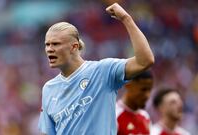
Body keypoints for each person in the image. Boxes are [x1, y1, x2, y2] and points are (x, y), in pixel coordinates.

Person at [38, 2, 154, 135]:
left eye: (55, 44)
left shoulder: (103, 71)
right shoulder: (49, 88)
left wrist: (126, 19)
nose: (49, 49)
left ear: (74, 47)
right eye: (47, 45)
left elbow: (144, 61)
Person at [116, 70, 153, 134]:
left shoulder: (145, 116)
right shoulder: (114, 115)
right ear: (128, 85)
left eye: (149, 90)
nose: (147, 95)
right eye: (143, 89)